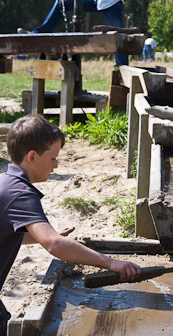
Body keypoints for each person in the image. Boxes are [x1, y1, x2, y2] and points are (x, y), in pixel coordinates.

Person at [0, 114, 140, 333]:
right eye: (53, 158)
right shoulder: (20, 194)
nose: (56, 165)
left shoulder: (5, 181)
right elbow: (54, 245)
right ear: (33, 157)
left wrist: (42, 236)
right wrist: (111, 263)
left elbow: (8, 232)